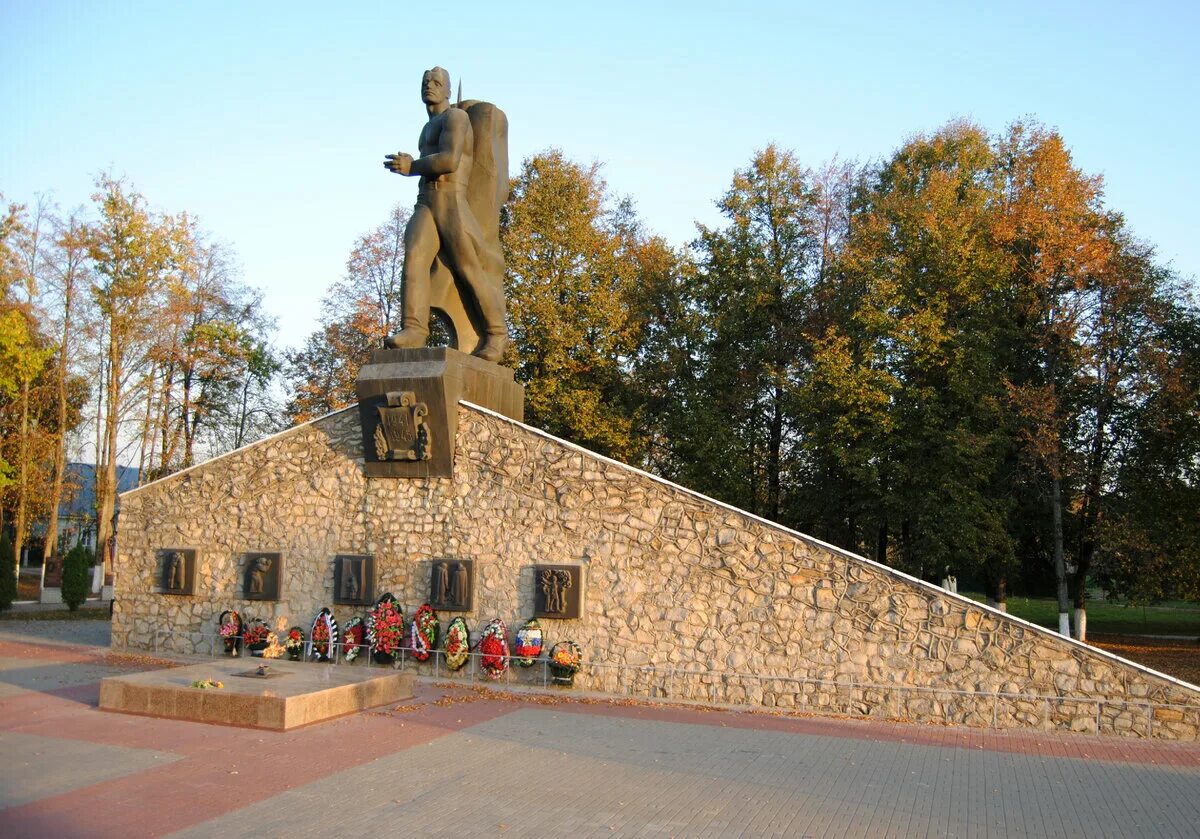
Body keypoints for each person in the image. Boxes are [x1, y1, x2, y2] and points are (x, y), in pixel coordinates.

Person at [383, 66, 507, 361]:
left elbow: (450, 159)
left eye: (437, 83)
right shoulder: (427, 127)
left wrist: (412, 166)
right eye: (426, 82)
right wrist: (415, 169)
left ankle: (497, 334)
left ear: (448, 91)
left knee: (468, 269)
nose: (430, 87)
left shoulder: (456, 117)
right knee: (414, 257)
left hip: (451, 201)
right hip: (426, 201)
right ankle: (413, 329)